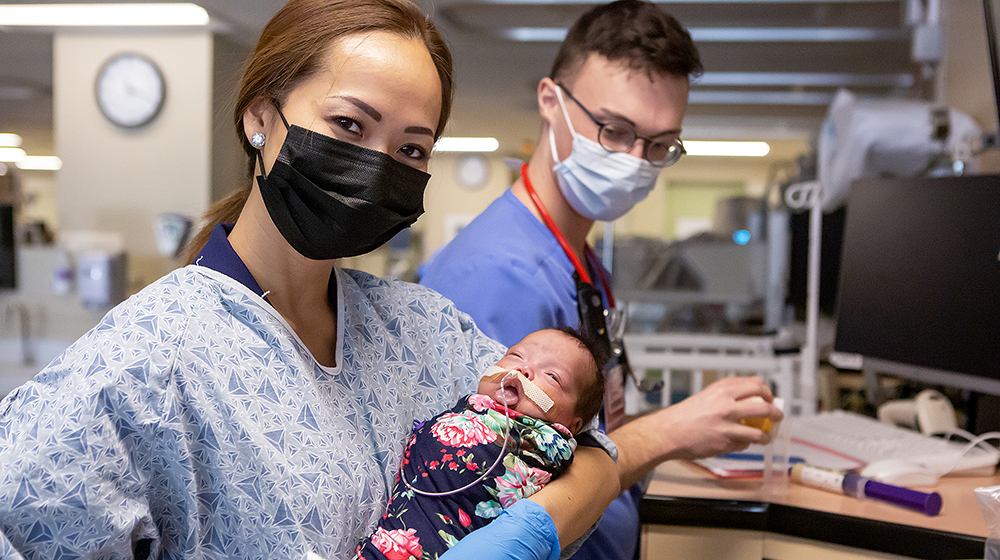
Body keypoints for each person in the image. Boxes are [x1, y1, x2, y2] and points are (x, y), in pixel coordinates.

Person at [0, 1, 621, 558]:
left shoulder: (423, 332)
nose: (377, 167)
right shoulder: (148, 360)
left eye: (411, 150)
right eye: (350, 126)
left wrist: (532, 531)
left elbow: (591, 454)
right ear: (259, 119)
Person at [418, 1, 785, 559]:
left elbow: (573, 430)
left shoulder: (579, 262)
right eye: (614, 130)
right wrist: (669, 433)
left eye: (659, 145)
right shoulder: (499, 275)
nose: (635, 161)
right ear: (551, 102)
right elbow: (495, 485)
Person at [358, 327, 607, 560]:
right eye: (516, 355)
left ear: (573, 426)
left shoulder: (540, 444)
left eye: (552, 376)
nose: (525, 370)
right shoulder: (472, 408)